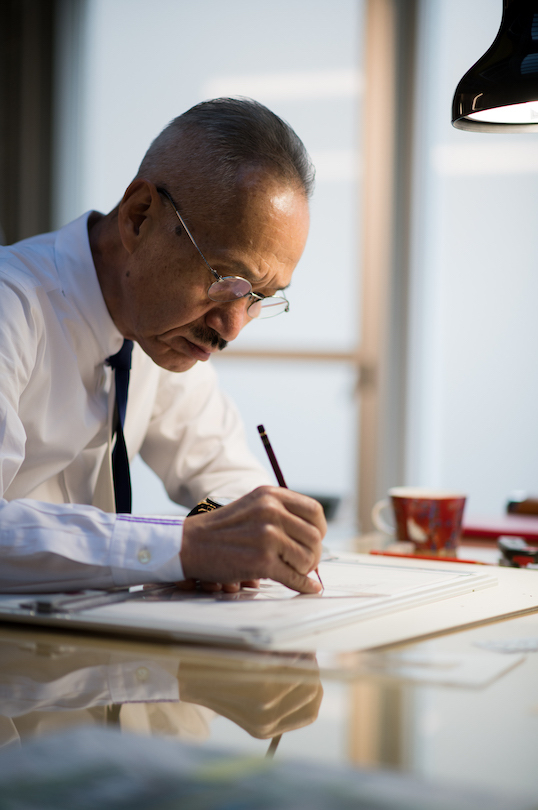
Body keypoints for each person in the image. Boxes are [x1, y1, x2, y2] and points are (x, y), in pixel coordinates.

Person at [0, 98, 326, 594]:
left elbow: (227, 477)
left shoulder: (161, 334)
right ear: (139, 217)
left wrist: (228, 529)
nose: (233, 327)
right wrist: (185, 547)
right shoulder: (12, 307)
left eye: (259, 298)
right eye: (226, 280)